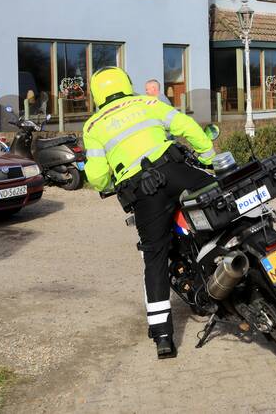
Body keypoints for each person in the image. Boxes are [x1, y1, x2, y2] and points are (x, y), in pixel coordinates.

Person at [83, 67, 216, 360]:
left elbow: (96, 176)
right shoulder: (148, 103)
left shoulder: (93, 127)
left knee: (155, 257)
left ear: (96, 94)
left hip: (144, 193)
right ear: (126, 84)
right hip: (176, 171)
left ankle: (164, 338)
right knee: (221, 203)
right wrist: (207, 156)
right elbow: (187, 127)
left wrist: (108, 184)